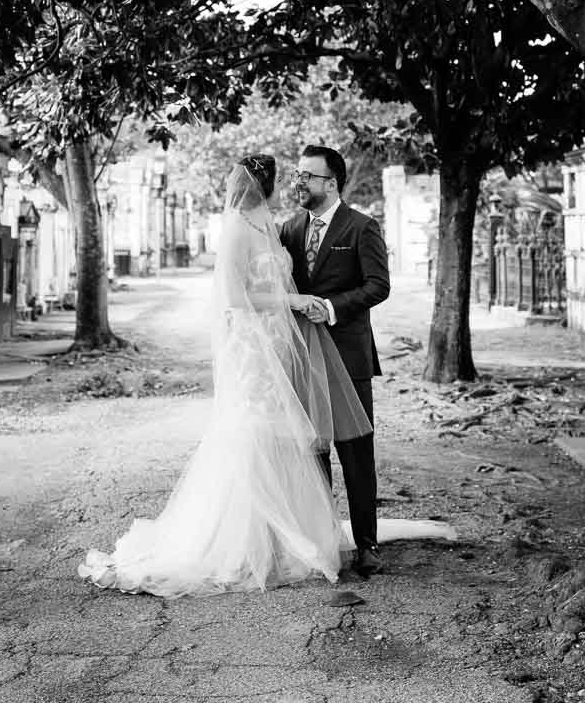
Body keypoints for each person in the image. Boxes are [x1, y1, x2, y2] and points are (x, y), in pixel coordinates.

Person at [77, 155, 370, 596]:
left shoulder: (270, 224)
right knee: (255, 435)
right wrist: (294, 302)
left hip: (282, 346)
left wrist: (303, 306)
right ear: (264, 185)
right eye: (283, 178)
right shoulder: (238, 226)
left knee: (287, 439)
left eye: (305, 176)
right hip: (254, 350)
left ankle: (289, 535)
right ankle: (245, 544)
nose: (291, 183)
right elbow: (235, 295)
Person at [280, 144, 391, 577]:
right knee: (315, 452)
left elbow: (378, 286)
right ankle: (325, 540)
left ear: (332, 182)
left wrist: (328, 307)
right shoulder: (289, 229)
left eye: (308, 175)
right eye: (297, 173)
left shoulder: (362, 227)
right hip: (305, 360)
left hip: (348, 357)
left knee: (356, 454)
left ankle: (368, 544)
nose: (299, 181)